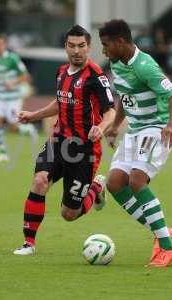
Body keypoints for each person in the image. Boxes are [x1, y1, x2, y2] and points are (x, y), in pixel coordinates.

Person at [13, 25, 115, 255]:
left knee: (69, 214)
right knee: (39, 181)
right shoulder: (61, 71)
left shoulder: (96, 76)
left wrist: (101, 127)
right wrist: (34, 115)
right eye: (72, 45)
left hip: (84, 150)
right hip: (58, 141)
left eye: (81, 46)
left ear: (89, 47)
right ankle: (29, 243)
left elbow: (110, 111)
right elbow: (60, 102)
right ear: (65, 47)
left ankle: (97, 187)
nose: (76, 50)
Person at [99, 19, 172, 267]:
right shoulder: (117, 63)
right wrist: (115, 125)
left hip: (156, 129)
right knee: (115, 183)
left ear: (121, 42)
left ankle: (168, 248)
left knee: (137, 180)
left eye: (106, 45)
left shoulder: (145, 66)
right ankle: (162, 232)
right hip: (135, 131)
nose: (104, 50)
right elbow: (126, 97)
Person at [0, 33, 38, 163]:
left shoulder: (13, 59)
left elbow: (26, 76)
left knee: (13, 128)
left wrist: (13, 82)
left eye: (0, 44)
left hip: (13, 99)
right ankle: (3, 153)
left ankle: (29, 129)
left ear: (5, 45)